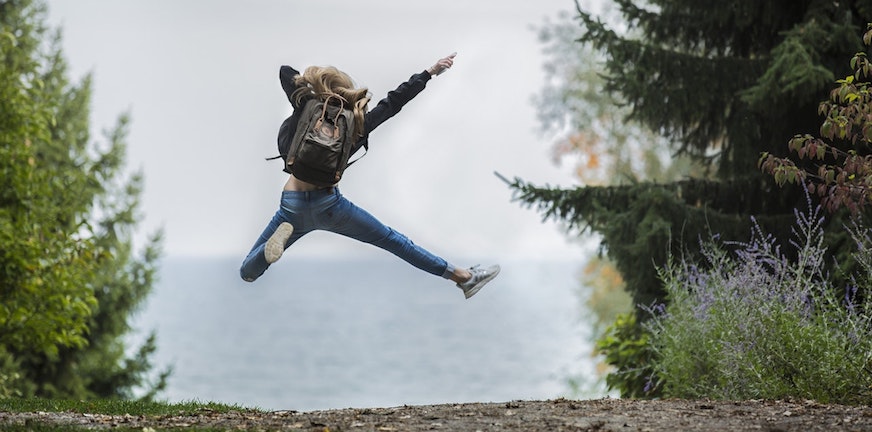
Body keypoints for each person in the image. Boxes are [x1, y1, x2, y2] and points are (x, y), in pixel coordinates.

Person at [239, 53, 500, 299]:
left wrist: (313, 86)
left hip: (292, 205)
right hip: (330, 206)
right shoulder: (357, 123)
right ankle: (463, 277)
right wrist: (429, 72)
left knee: (247, 272)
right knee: (394, 241)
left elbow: (286, 72)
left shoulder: (306, 106)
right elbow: (394, 102)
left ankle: (269, 251)